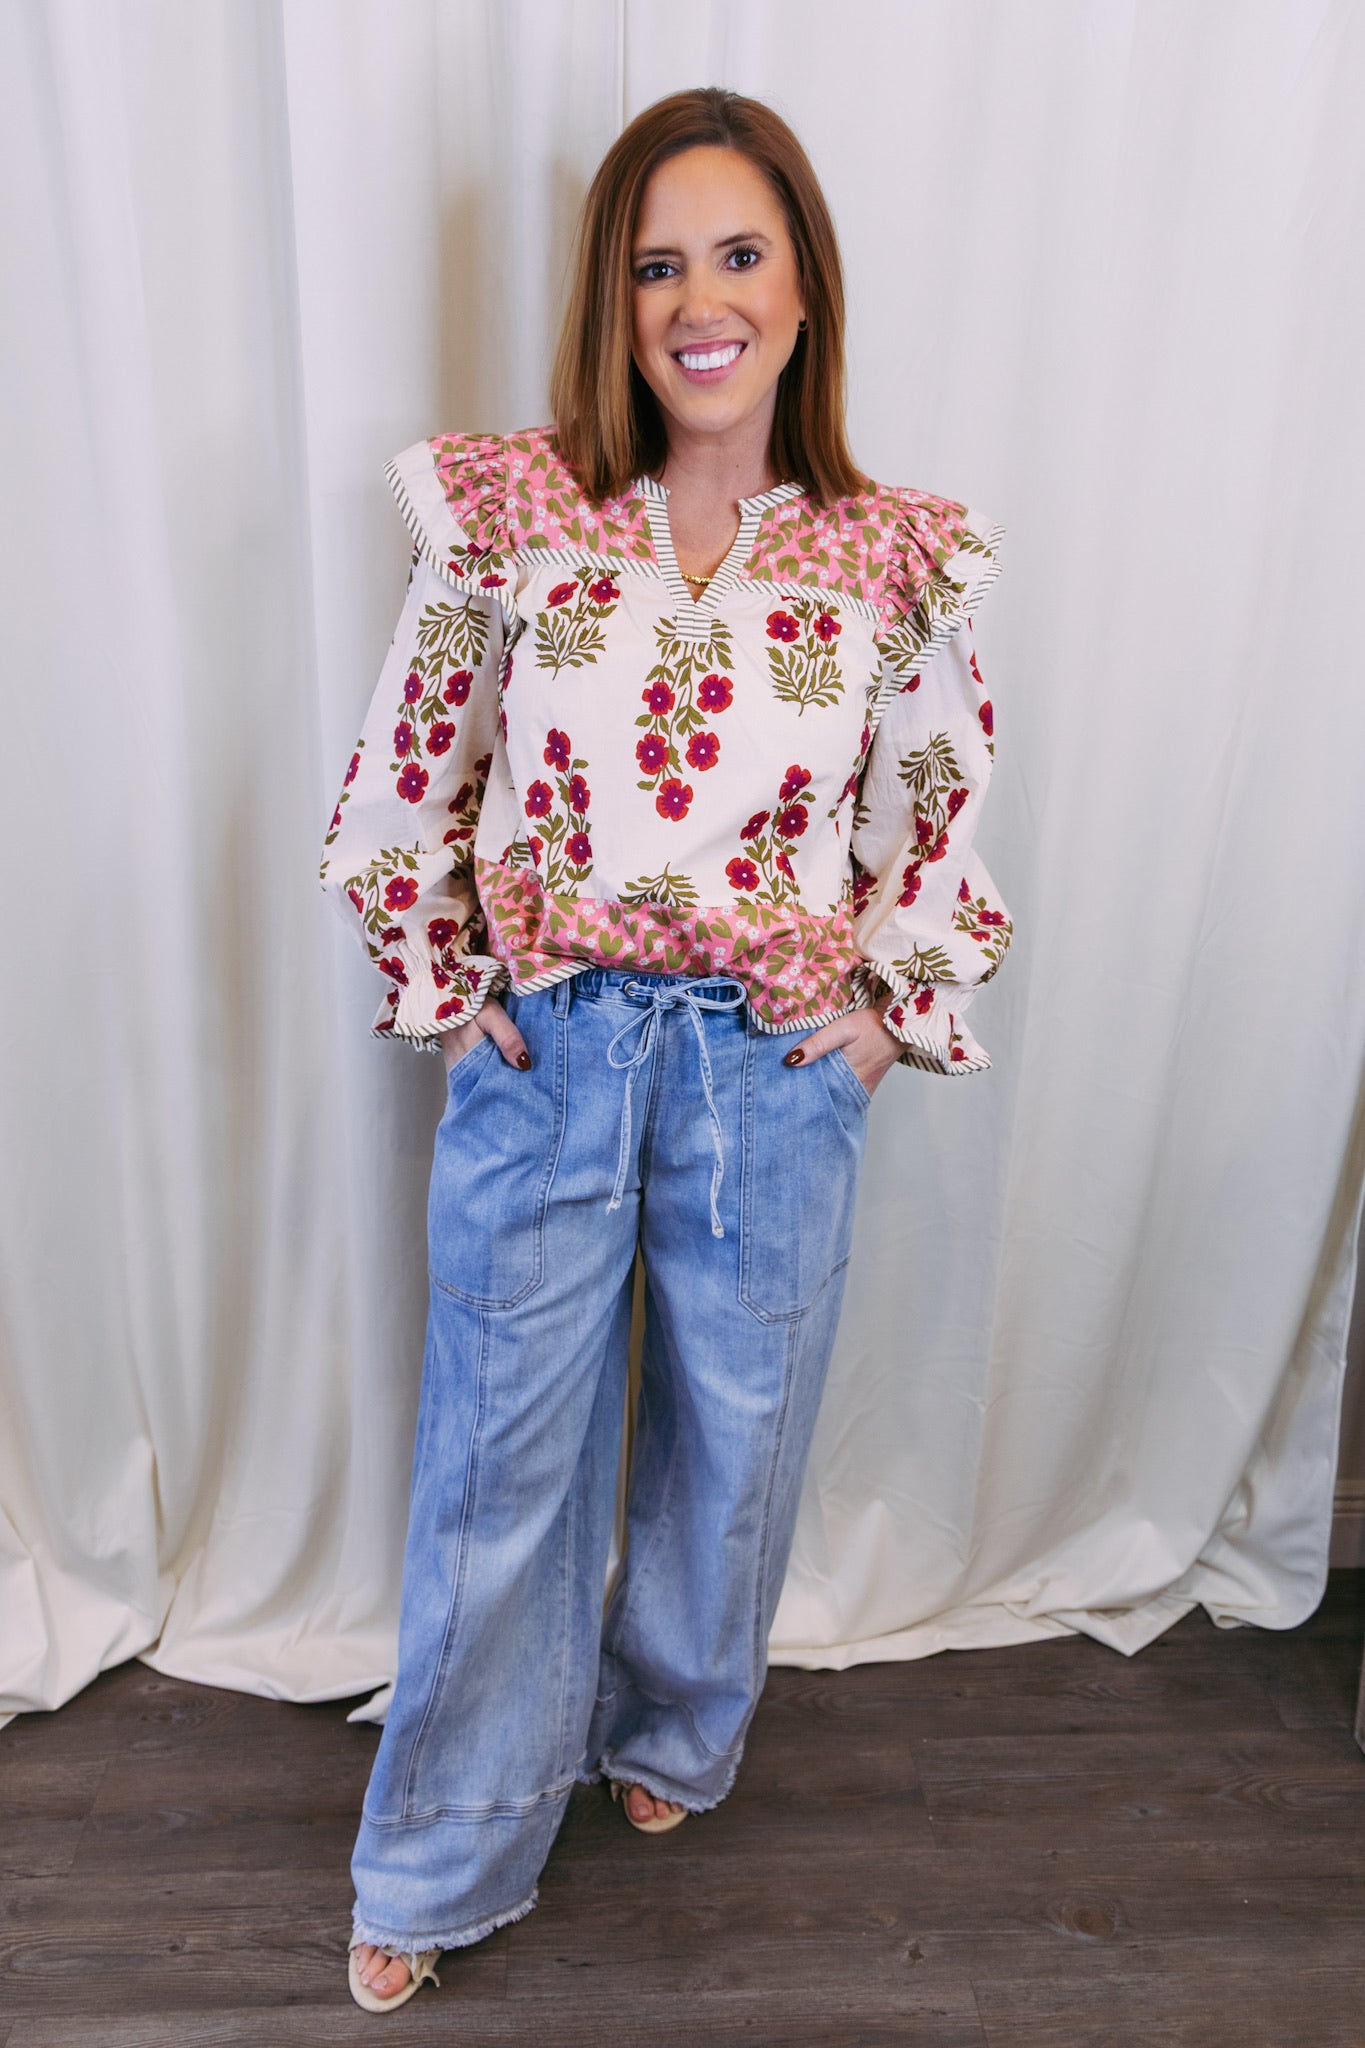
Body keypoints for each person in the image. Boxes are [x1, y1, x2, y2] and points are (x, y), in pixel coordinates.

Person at [320, 84, 1010, 2013]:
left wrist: (883, 1019)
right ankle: (441, 1850)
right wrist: (457, 987)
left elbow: (947, 806)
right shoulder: (519, 513)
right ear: (613, 301)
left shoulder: (892, 557)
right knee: (497, 1464)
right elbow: (403, 780)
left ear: (801, 289)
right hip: (554, 1051)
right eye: (654, 265)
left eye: (736, 254)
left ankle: (671, 1731)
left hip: (768, 1068)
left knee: (737, 1438)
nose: (697, 301)